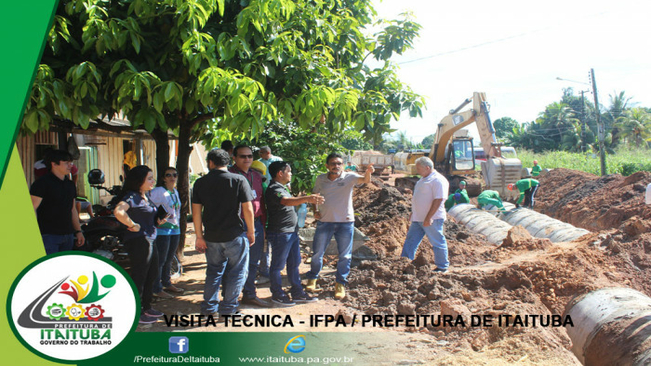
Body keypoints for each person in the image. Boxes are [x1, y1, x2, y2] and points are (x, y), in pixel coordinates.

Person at [192, 148, 255, 318]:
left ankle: (209, 308)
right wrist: (251, 231)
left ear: (210, 163)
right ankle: (228, 308)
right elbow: (248, 209)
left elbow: (196, 212)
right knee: (237, 272)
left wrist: (199, 236)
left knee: (213, 272)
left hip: (211, 237)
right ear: (227, 162)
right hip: (234, 235)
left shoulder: (200, 182)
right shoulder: (238, 179)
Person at [306, 152, 374, 300]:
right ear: (327, 166)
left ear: (342, 165)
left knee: (345, 255)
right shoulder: (320, 179)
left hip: (345, 222)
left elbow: (365, 181)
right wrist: (315, 211)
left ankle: (340, 284)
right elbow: (314, 195)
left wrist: (368, 173)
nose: (336, 166)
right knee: (317, 253)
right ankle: (313, 278)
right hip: (325, 222)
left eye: (339, 163)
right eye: (333, 163)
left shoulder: (349, 177)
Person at [265, 161, 324, 306]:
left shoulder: (283, 187)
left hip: (291, 232)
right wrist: (307, 199)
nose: (291, 174)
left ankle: (297, 292)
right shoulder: (273, 188)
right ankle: (277, 294)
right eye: (289, 171)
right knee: (277, 266)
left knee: (294, 263)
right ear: (280, 173)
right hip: (280, 233)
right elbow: (285, 201)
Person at [113, 165, 166, 324]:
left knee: (152, 274)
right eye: (149, 178)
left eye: (152, 178)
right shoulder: (132, 197)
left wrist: (158, 221)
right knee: (140, 275)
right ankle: (136, 311)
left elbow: (147, 216)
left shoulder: (144, 196)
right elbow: (119, 212)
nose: (153, 181)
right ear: (139, 181)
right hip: (139, 241)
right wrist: (132, 224)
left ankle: (147, 307)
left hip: (150, 238)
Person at [228, 145, 271, 308]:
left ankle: (249, 294)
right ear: (234, 158)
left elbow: (262, 201)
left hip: (257, 223)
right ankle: (229, 298)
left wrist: (264, 225)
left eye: (249, 156)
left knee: (253, 262)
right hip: (236, 224)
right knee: (233, 262)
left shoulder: (257, 176)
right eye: (242, 156)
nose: (246, 159)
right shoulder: (229, 175)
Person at [30, 149, 85, 255]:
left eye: (71, 163)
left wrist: (78, 231)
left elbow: (72, 209)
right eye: (66, 163)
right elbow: (32, 208)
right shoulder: (42, 183)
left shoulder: (70, 184)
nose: (70, 166)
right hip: (48, 235)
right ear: (54, 164)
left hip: (68, 234)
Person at [400, 157, 450, 273]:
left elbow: (439, 199)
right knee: (411, 240)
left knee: (437, 241)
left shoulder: (438, 180)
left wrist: (429, 217)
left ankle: (442, 267)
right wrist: (414, 212)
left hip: (432, 219)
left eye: (419, 168)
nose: (417, 171)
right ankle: (404, 262)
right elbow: (418, 197)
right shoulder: (423, 179)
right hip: (418, 218)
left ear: (427, 168)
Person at [149, 167, 184, 299]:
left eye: (174, 174)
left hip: (175, 228)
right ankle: (156, 288)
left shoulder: (175, 191)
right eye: (168, 175)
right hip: (162, 229)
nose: (172, 177)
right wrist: (156, 218)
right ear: (163, 178)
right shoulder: (158, 191)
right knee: (161, 259)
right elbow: (147, 203)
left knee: (169, 258)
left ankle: (167, 283)